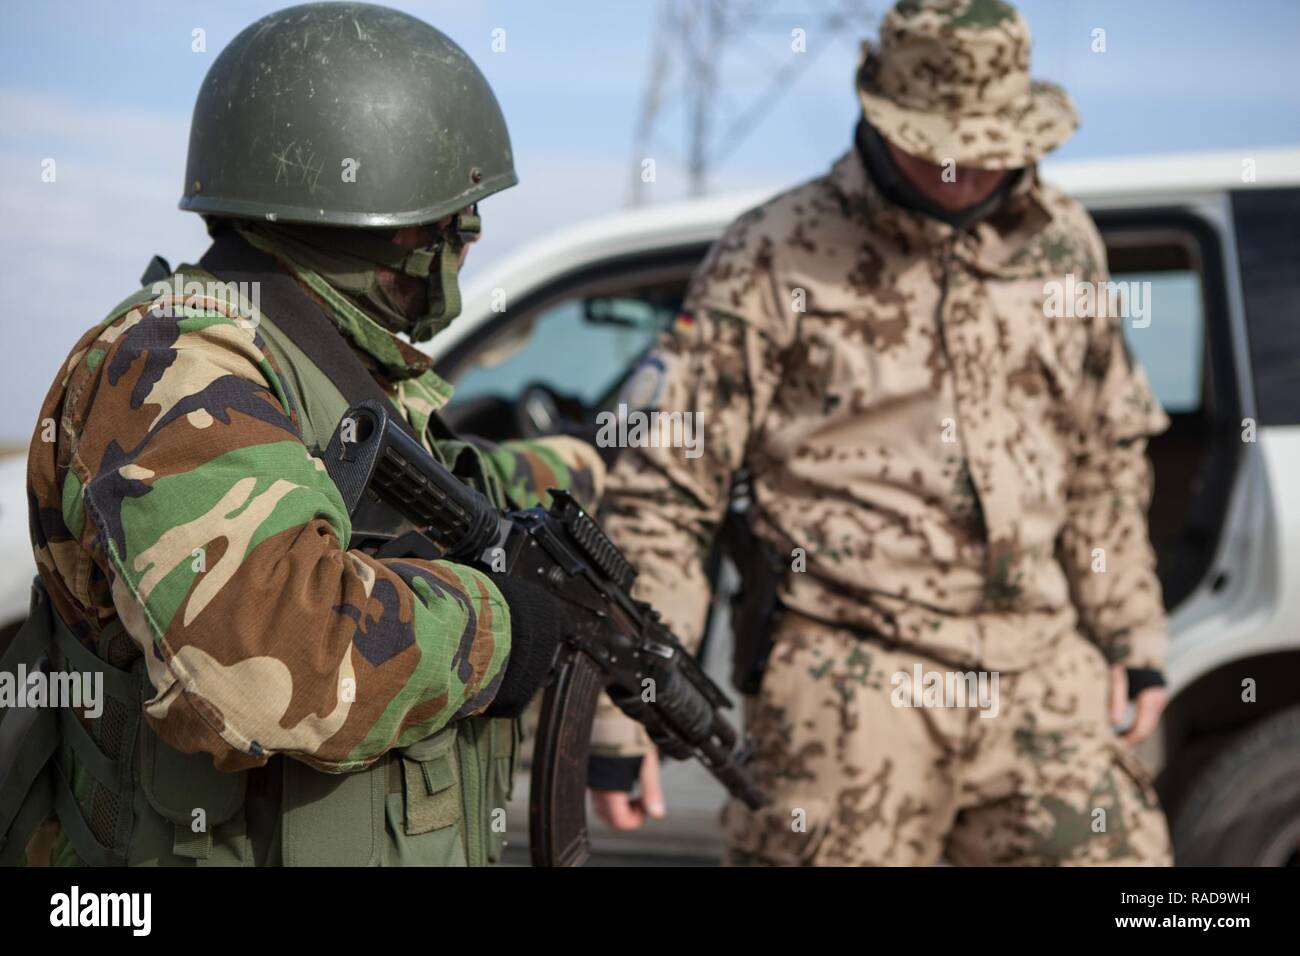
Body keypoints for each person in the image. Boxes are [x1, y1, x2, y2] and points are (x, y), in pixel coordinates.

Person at [13, 1, 600, 867]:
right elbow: (273, 659)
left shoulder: (324, 365)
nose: (467, 237)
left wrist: (581, 468)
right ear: (376, 210)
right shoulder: (178, 362)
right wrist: (502, 627)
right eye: (449, 211)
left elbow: (413, 502)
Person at [589, 0, 1173, 866]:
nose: (960, 173)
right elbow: (667, 495)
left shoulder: (1066, 246)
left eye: (986, 150)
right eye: (935, 143)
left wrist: (1131, 629)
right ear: (878, 114)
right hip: (848, 680)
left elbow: (1104, 456)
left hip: (1042, 671)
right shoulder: (774, 252)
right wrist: (629, 702)